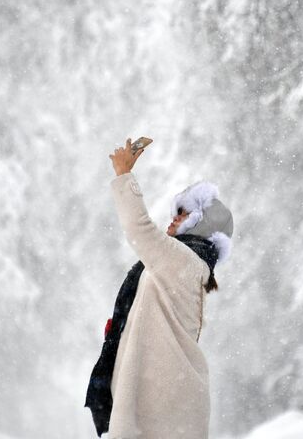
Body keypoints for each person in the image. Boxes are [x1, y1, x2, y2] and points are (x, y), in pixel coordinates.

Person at [85, 138, 234, 439]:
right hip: (165, 406)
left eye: (182, 214)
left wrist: (124, 175)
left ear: (199, 224)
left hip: (162, 411)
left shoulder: (186, 262)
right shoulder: (186, 266)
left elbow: (140, 229)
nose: (173, 219)